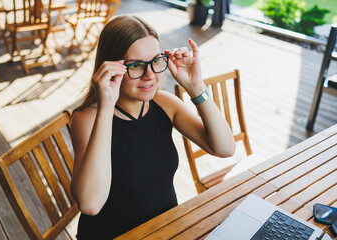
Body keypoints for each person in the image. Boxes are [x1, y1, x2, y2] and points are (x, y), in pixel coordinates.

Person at [70, 15, 236, 239]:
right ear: (110, 68)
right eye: (136, 65)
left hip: (166, 229)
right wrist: (106, 108)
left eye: (156, 61)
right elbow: (90, 204)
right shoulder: (87, 118)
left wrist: (196, 87)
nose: (150, 75)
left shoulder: (164, 103)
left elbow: (225, 148)